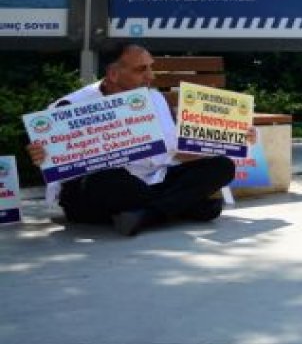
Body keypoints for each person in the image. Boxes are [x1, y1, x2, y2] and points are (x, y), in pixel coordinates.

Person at [26, 43, 236, 237]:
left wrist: (231, 140)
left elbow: (174, 151)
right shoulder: (69, 106)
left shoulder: (154, 98)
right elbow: (55, 166)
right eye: (141, 69)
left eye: (150, 67)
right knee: (110, 182)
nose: (150, 76)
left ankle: (148, 215)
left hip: (152, 180)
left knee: (222, 166)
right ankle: (185, 206)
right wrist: (42, 156)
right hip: (103, 188)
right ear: (113, 74)